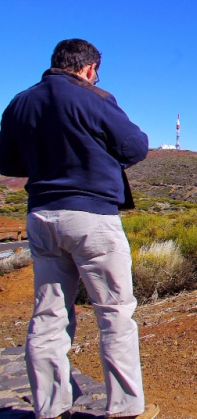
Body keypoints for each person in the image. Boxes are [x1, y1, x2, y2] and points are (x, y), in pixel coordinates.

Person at [0, 39, 158, 419]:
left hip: (42, 216)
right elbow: (135, 147)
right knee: (114, 313)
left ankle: (51, 408)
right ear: (89, 68)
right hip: (91, 217)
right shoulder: (94, 98)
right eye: (95, 73)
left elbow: (8, 162)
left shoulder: (20, 102)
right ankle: (125, 408)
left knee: (49, 316)